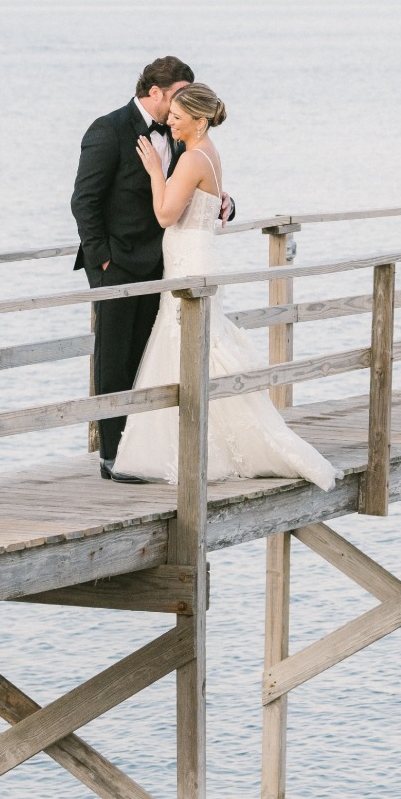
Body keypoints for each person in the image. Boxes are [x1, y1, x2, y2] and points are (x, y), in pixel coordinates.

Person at [114, 82, 337, 490]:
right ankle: (185, 446)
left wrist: (153, 173)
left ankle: (200, 448)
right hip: (193, 254)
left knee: (191, 344)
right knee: (195, 344)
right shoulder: (206, 153)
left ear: (199, 122)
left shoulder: (191, 159)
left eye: (178, 118)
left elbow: (165, 214)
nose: (170, 122)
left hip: (189, 261)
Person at [73, 56, 234, 477]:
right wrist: (102, 260)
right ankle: (112, 456)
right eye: (178, 95)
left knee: (152, 360)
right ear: (157, 92)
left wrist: (225, 203)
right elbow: (84, 201)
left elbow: (193, 190)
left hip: (167, 267)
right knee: (113, 363)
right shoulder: (108, 129)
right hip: (119, 267)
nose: (183, 106)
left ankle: (146, 451)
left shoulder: (181, 130)